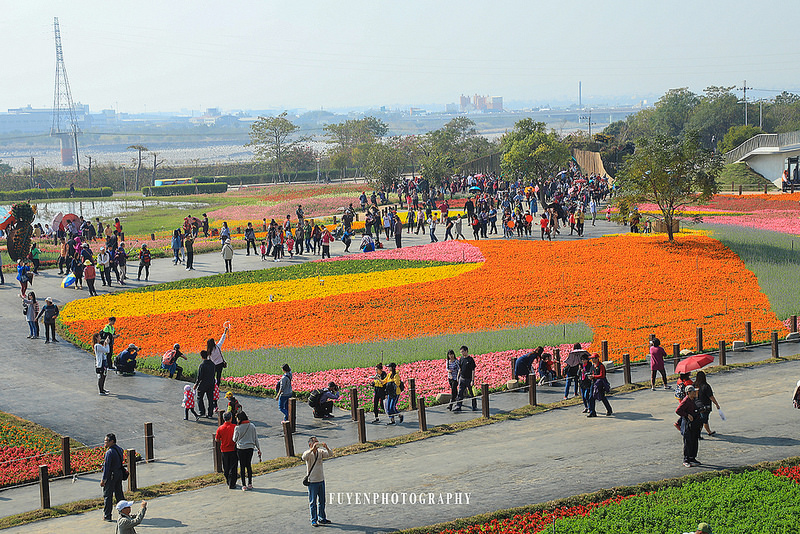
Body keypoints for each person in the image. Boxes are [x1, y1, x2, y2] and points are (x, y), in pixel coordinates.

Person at [302, 436, 333, 527]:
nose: (317, 444)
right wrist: (312, 449)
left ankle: (322, 518)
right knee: (313, 502)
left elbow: (330, 454)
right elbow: (303, 457)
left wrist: (326, 447)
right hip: (312, 481)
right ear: (310, 444)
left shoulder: (321, 452)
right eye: (315, 442)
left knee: (322, 501)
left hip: (321, 480)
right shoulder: (308, 453)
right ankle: (313, 519)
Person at [100, 433, 126, 522]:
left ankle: (107, 516)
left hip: (111, 475)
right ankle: (124, 513)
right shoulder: (119, 449)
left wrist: (103, 480)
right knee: (119, 494)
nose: (105, 442)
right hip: (119, 473)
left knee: (108, 496)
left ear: (112, 441)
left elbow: (107, 467)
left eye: (106, 441)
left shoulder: (109, 452)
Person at [233, 412, 261, 491]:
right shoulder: (252, 426)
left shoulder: (237, 428)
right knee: (248, 465)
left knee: (242, 466)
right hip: (250, 448)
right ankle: (250, 483)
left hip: (241, 448)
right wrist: (258, 448)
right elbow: (255, 438)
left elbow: (234, 439)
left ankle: (243, 485)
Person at [676, 385, 702, 467]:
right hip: (687, 425)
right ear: (688, 393)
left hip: (694, 425)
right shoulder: (686, 401)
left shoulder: (693, 400)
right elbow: (678, 410)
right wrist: (687, 415)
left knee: (694, 442)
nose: (695, 393)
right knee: (688, 443)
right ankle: (686, 460)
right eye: (693, 392)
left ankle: (692, 458)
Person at [694, 371, 721, 437]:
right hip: (705, 406)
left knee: (701, 419)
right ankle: (699, 434)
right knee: (704, 420)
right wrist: (716, 404)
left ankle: (708, 432)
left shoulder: (694, 385)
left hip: (696, 405)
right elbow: (711, 396)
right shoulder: (706, 386)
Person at [215, 412, 239, 489]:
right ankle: (232, 482)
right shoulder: (235, 427)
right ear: (231, 418)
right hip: (233, 449)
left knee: (226, 466)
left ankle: (228, 480)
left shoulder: (220, 428)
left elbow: (217, 439)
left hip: (224, 450)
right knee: (233, 467)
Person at [454, 345, 477, 412]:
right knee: (460, 393)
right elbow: (460, 369)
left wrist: (472, 380)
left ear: (466, 351)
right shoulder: (461, 359)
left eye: (462, 351)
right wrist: (458, 377)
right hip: (462, 378)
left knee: (472, 393)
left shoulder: (470, 359)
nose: (462, 353)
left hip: (469, 379)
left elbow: (473, 370)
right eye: (461, 352)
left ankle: (474, 406)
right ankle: (458, 406)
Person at [194, 350, 216, 418]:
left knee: (199, 398)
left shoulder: (202, 365)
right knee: (210, 399)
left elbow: (199, 377)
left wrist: (196, 384)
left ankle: (202, 412)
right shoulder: (212, 364)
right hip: (211, 384)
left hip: (203, 384)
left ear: (201, 357)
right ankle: (210, 414)